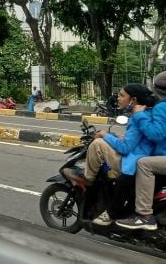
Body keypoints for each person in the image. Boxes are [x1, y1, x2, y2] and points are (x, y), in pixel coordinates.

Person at [62, 83, 156, 226]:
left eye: (122, 95)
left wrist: (105, 135)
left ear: (134, 100)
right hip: (141, 157)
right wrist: (116, 137)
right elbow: (134, 142)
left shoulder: (138, 117)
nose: (118, 98)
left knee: (97, 144)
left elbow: (125, 148)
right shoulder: (146, 114)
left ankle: (88, 179)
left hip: (132, 162)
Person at [116, 72, 166, 230]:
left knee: (143, 164)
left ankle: (145, 216)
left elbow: (156, 134)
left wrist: (138, 115)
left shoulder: (162, 106)